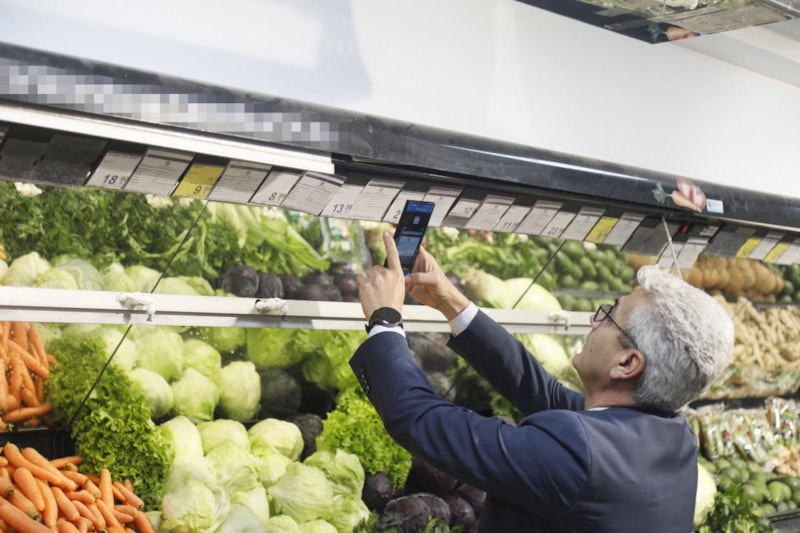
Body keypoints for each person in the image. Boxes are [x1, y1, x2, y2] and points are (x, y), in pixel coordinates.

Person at [351, 231, 734, 532]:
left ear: (627, 363)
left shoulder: (578, 455)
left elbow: (422, 420)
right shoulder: (672, 434)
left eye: (608, 315)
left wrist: (385, 320)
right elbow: (541, 391)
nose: (594, 320)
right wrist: (451, 302)